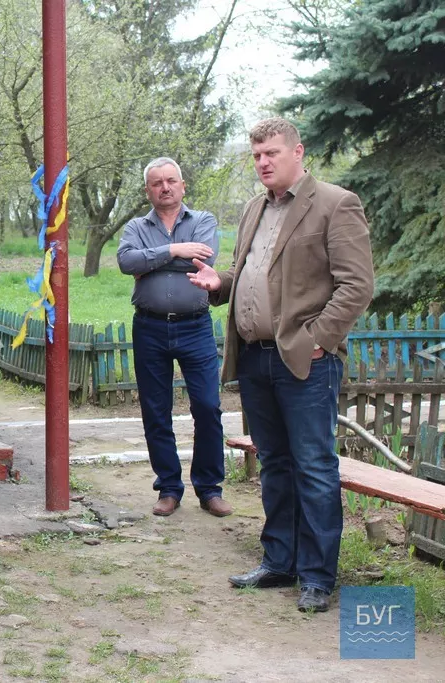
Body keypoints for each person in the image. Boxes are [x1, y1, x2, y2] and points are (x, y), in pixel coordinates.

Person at [188, 118, 374, 613]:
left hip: (306, 361)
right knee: (274, 463)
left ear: (298, 151)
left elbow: (356, 285)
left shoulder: (336, 204)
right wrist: (220, 283)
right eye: (256, 156)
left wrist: (318, 340)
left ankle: (316, 576)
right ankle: (280, 561)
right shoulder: (253, 208)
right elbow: (252, 272)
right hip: (254, 356)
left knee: (314, 466)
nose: (263, 162)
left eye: (271, 153)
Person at [116, 157, 231, 518]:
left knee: (208, 407)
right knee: (156, 410)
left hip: (194, 325)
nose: (164, 187)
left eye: (170, 181)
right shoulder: (136, 225)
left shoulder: (204, 221)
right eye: (156, 183)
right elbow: (125, 262)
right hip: (149, 326)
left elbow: (202, 260)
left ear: (182, 185)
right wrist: (174, 250)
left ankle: (210, 489)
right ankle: (168, 487)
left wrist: (151, 261)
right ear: (148, 190)